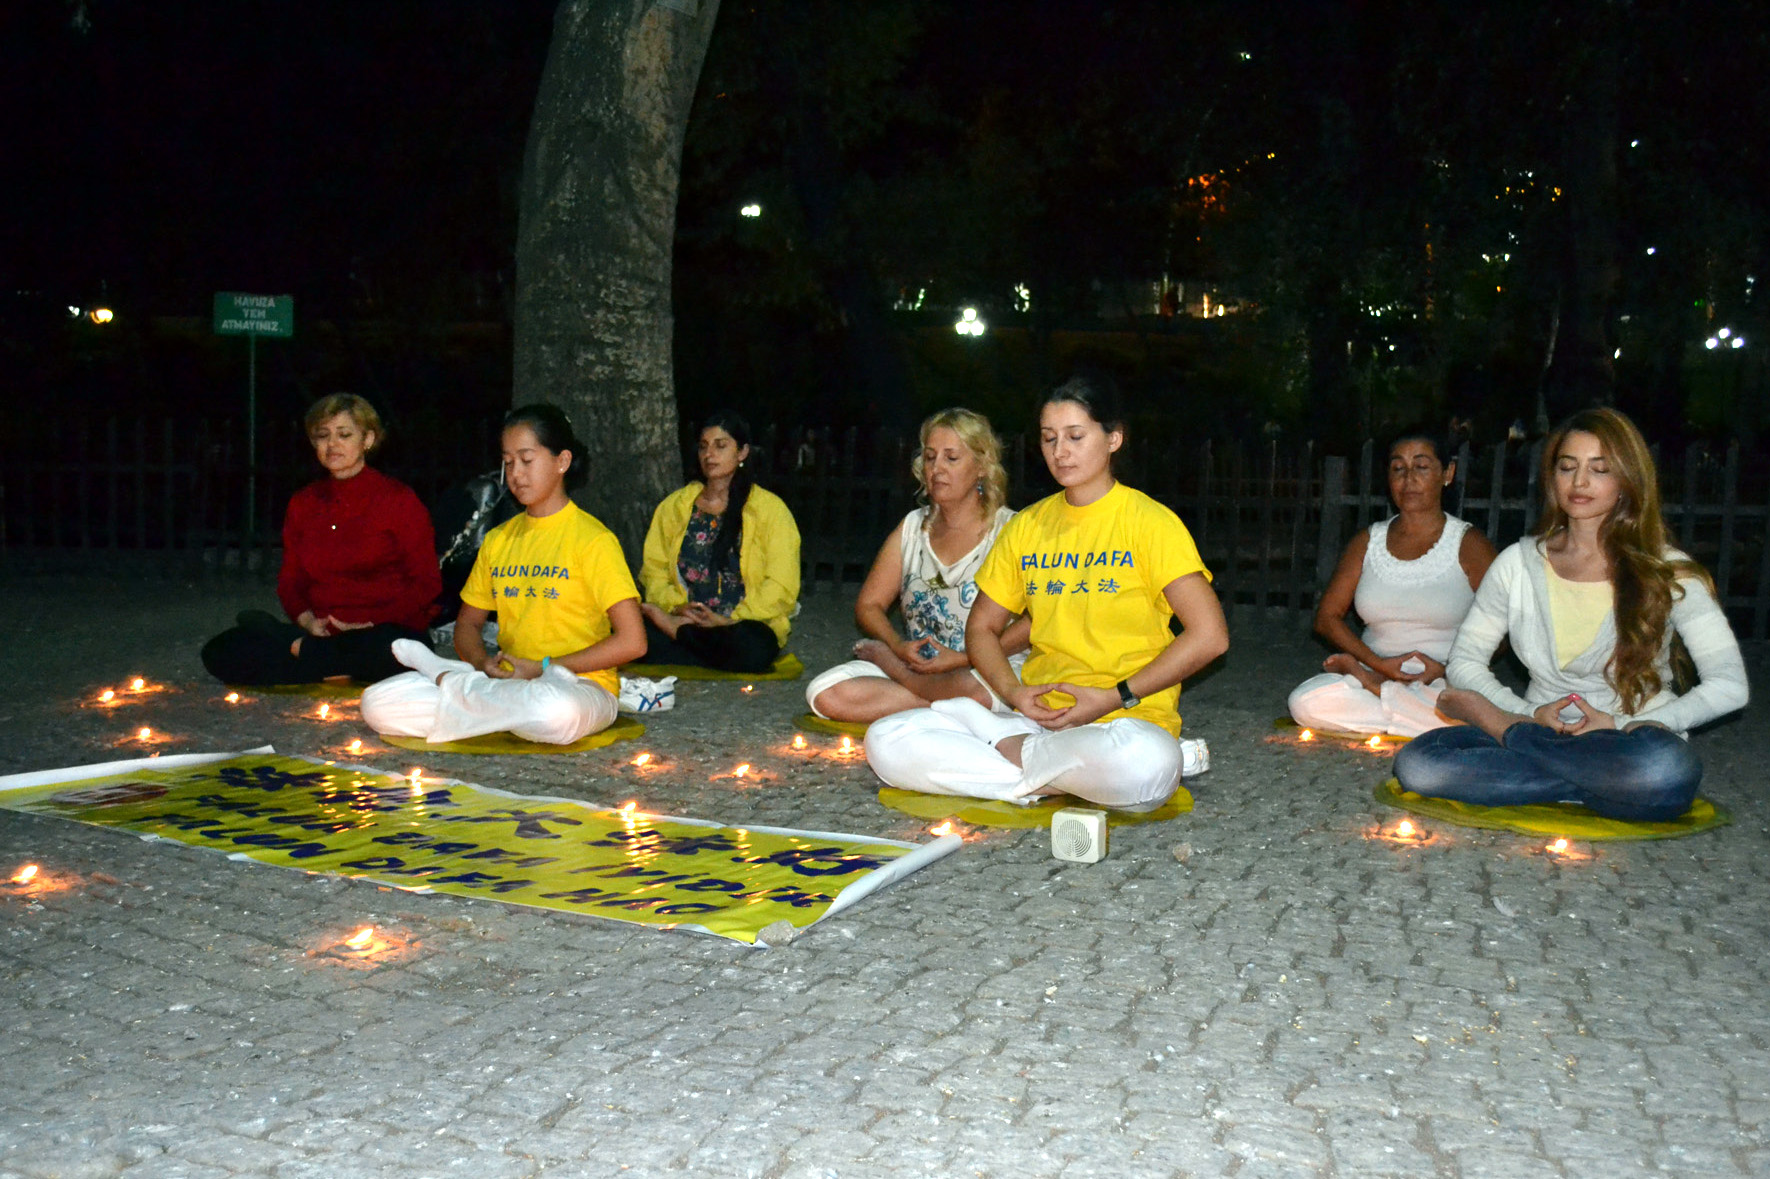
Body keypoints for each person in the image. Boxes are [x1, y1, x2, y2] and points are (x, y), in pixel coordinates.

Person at [864, 373, 1230, 811]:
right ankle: (1043, 769)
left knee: (1144, 762)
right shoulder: (1028, 526)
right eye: (1049, 438)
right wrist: (1014, 693)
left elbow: (1210, 637)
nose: (1060, 451)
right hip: (1034, 718)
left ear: (1113, 438)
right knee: (885, 739)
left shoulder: (1151, 523)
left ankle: (1012, 759)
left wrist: (1114, 696)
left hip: (1123, 720)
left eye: (1075, 436)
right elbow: (981, 629)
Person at [1394, 408, 1749, 820]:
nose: (1579, 482)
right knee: (1419, 762)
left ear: (1628, 480)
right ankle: (1603, 787)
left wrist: (1620, 725)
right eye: (1567, 467)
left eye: (1599, 469)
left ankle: (1539, 763)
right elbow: (1464, 661)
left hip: (1628, 742)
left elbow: (1730, 685)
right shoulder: (1518, 564)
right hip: (1541, 726)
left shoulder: (1670, 571)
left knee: (1665, 767)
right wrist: (1527, 715)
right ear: (1552, 478)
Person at [359, 405, 646, 745]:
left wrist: (542, 668)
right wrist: (481, 662)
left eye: (526, 460)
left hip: (579, 686)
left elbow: (633, 641)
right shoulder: (498, 539)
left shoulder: (594, 540)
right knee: (377, 703)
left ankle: (455, 684)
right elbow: (467, 625)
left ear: (562, 461)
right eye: (508, 462)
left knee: (556, 713)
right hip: (509, 683)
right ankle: (474, 692)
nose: (515, 474)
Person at [200, 394, 440, 685]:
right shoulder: (304, 502)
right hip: (321, 631)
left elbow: (427, 583)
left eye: (344, 435)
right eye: (323, 436)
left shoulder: (399, 499)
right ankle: (323, 658)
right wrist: (306, 621)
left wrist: (371, 622)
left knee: (393, 652)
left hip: (382, 630)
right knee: (220, 651)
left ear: (367, 439)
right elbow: (290, 581)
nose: (332, 445)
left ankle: (301, 651)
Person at [806, 408, 1027, 722]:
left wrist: (961, 658)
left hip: (984, 670)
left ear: (981, 466)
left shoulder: (1012, 530)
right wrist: (898, 646)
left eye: (951, 458)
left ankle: (923, 695)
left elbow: (1035, 622)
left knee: (974, 691)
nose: (937, 468)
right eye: (930, 457)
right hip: (919, 664)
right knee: (825, 692)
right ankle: (953, 713)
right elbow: (869, 605)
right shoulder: (912, 527)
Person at [1287, 430, 1497, 736]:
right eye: (1398, 468)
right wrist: (1377, 666)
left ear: (1447, 473)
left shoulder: (1469, 543)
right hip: (1373, 668)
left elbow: (1503, 628)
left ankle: (1387, 700)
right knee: (1305, 702)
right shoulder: (1367, 541)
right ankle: (1410, 712)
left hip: (1444, 678)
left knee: (1466, 707)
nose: (1408, 479)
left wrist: (1447, 668)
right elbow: (1326, 618)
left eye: (1421, 466)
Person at [639, 412, 801, 673]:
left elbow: (781, 585)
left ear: (742, 452)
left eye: (720, 445)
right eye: (703, 446)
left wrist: (728, 620)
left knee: (756, 647)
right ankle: (693, 640)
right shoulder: (675, 507)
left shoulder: (770, 510)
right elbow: (654, 571)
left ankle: (680, 637)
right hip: (686, 617)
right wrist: (675, 607)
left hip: (740, 624)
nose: (709, 454)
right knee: (627, 631)